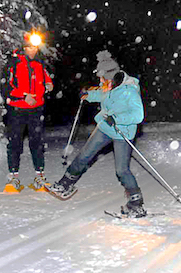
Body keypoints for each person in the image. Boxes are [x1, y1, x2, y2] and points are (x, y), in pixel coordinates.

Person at [48, 50, 146, 217]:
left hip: (123, 132)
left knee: (122, 170)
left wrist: (118, 119)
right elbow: (101, 94)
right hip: (105, 127)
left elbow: (138, 115)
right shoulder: (109, 86)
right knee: (84, 155)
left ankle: (136, 204)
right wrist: (88, 95)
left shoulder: (129, 90)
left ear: (112, 77)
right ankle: (65, 184)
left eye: (102, 79)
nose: (100, 82)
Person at [3, 31, 54, 193]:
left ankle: (39, 177)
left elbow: (46, 78)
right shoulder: (14, 63)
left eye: (34, 47)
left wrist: (49, 85)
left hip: (36, 109)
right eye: (29, 47)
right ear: (23, 47)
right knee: (15, 142)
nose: (32, 50)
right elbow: (6, 86)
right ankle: (13, 178)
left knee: (37, 142)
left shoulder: (40, 63)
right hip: (17, 109)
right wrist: (24, 96)